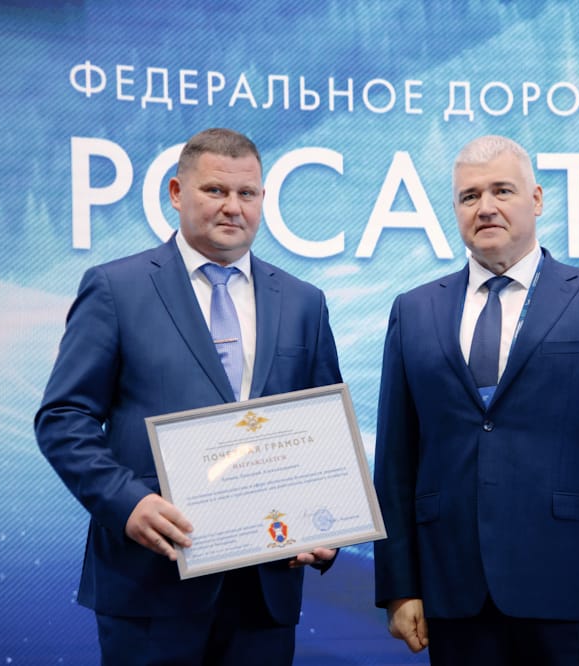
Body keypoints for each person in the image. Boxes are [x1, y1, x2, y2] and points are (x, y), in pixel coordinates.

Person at [35, 128, 341, 665]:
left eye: (246, 193)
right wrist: (126, 502)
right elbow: (64, 416)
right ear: (177, 193)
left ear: (263, 199)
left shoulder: (304, 301)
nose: (232, 207)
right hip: (151, 580)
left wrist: (328, 520)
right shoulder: (115, 288)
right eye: (215, 190)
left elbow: (322, 429)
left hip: (264, 589)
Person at [372, 135, 579, 665]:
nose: (485, 207)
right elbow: (394, 460)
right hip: (452, 591)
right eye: (469, 196)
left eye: (502, 191)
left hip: (573, 590)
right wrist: (398, 585)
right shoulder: (412, 310)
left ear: (536, 199)